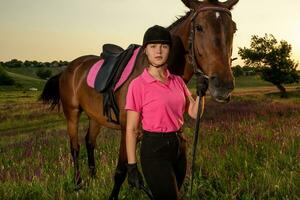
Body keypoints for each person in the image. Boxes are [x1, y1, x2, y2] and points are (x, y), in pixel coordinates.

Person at [125, 25, 208, 200]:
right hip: (154, 149)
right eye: (153, 46)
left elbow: (194, 113)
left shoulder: (177, 81)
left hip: (179, 147)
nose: (158, 51)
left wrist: (202, 93)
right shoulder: (137, 85)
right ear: (145, 51)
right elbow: (131, 129)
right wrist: (132, 166)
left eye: (164, 46)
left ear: (169, 50)